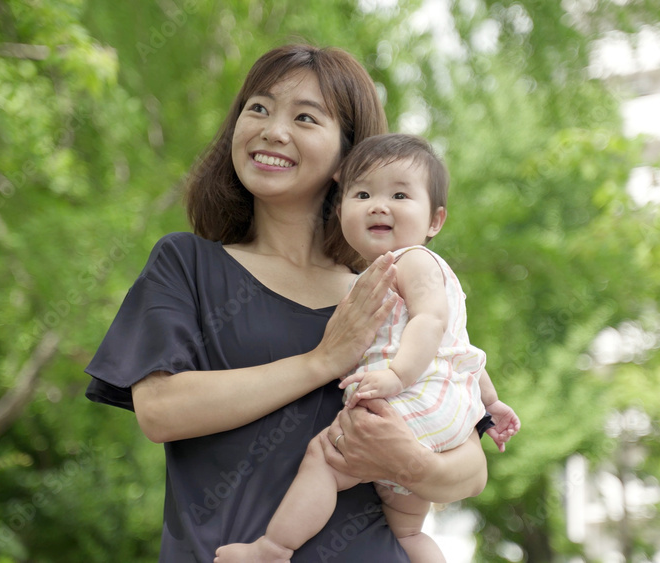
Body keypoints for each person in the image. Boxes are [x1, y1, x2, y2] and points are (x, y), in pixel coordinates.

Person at [85, 45, 491, 562]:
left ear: (350, 159)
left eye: (304, 117)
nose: (273, 131)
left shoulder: (388, 289)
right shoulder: (187, 264)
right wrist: (322, 360)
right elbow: (160, 410)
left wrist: (408, 463)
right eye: (258, 108)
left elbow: (471, 469)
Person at [214, 134, 521, 563]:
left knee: (324, 455)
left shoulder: (410, 261)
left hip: (409, 402)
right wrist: (490, 406)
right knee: (409, 531)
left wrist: (395, 376)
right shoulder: (397, 276)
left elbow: (429, 323)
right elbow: (459, 349)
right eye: (362, 194)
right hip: (444, 415)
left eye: (399, 194)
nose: (379, 204)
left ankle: (273, 549)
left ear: (435, 221)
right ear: (340, 211)